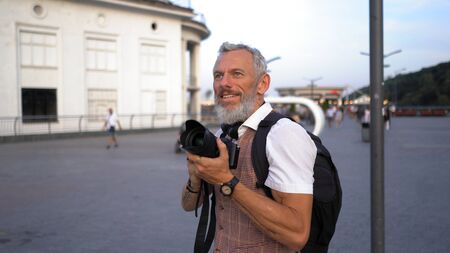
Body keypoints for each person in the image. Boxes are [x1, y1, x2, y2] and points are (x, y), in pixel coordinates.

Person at [181, 42, 316, 252]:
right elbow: (188, 205)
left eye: (236, 74)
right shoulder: (222, 135)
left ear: (262, 84)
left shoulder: (284, 135)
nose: (224, 83)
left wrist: (225, 180)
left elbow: (297, 234)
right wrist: (196, 177)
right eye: (218, 75)